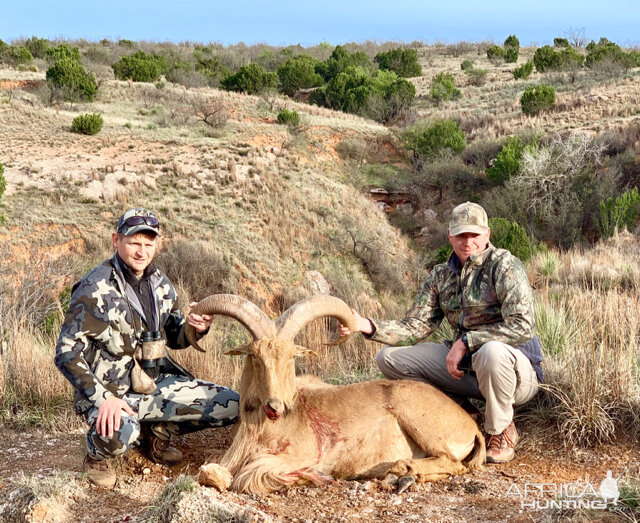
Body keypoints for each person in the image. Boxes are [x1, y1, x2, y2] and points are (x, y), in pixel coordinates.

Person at [340, 202, 542, 464]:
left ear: (487, 234)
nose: (467, 241)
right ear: (450, 235)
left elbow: (523, 326)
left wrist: (467, 342)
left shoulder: (504, 266)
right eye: (461, 235)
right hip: (470, 372)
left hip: (517, 375)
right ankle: (462, 411)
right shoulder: (440, 275)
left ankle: (500, 430)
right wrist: (367, 325)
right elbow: (415, 326)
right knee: (389, 358)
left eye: (474, 235)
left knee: (491, 352)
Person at [55, 208, 239, 488]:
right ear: (116, 240)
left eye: (148, 244)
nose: (142, 251)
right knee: (122, 433)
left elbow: (176, 336)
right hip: (108, 392)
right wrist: (103, 399)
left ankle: (157, 433)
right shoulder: (94, 288)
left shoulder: (161, 285)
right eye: (134, 243)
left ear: (156, 244)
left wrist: (196, 327)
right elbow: (66, 352)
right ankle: (96, 455)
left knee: (232, 405)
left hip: (151, 385)